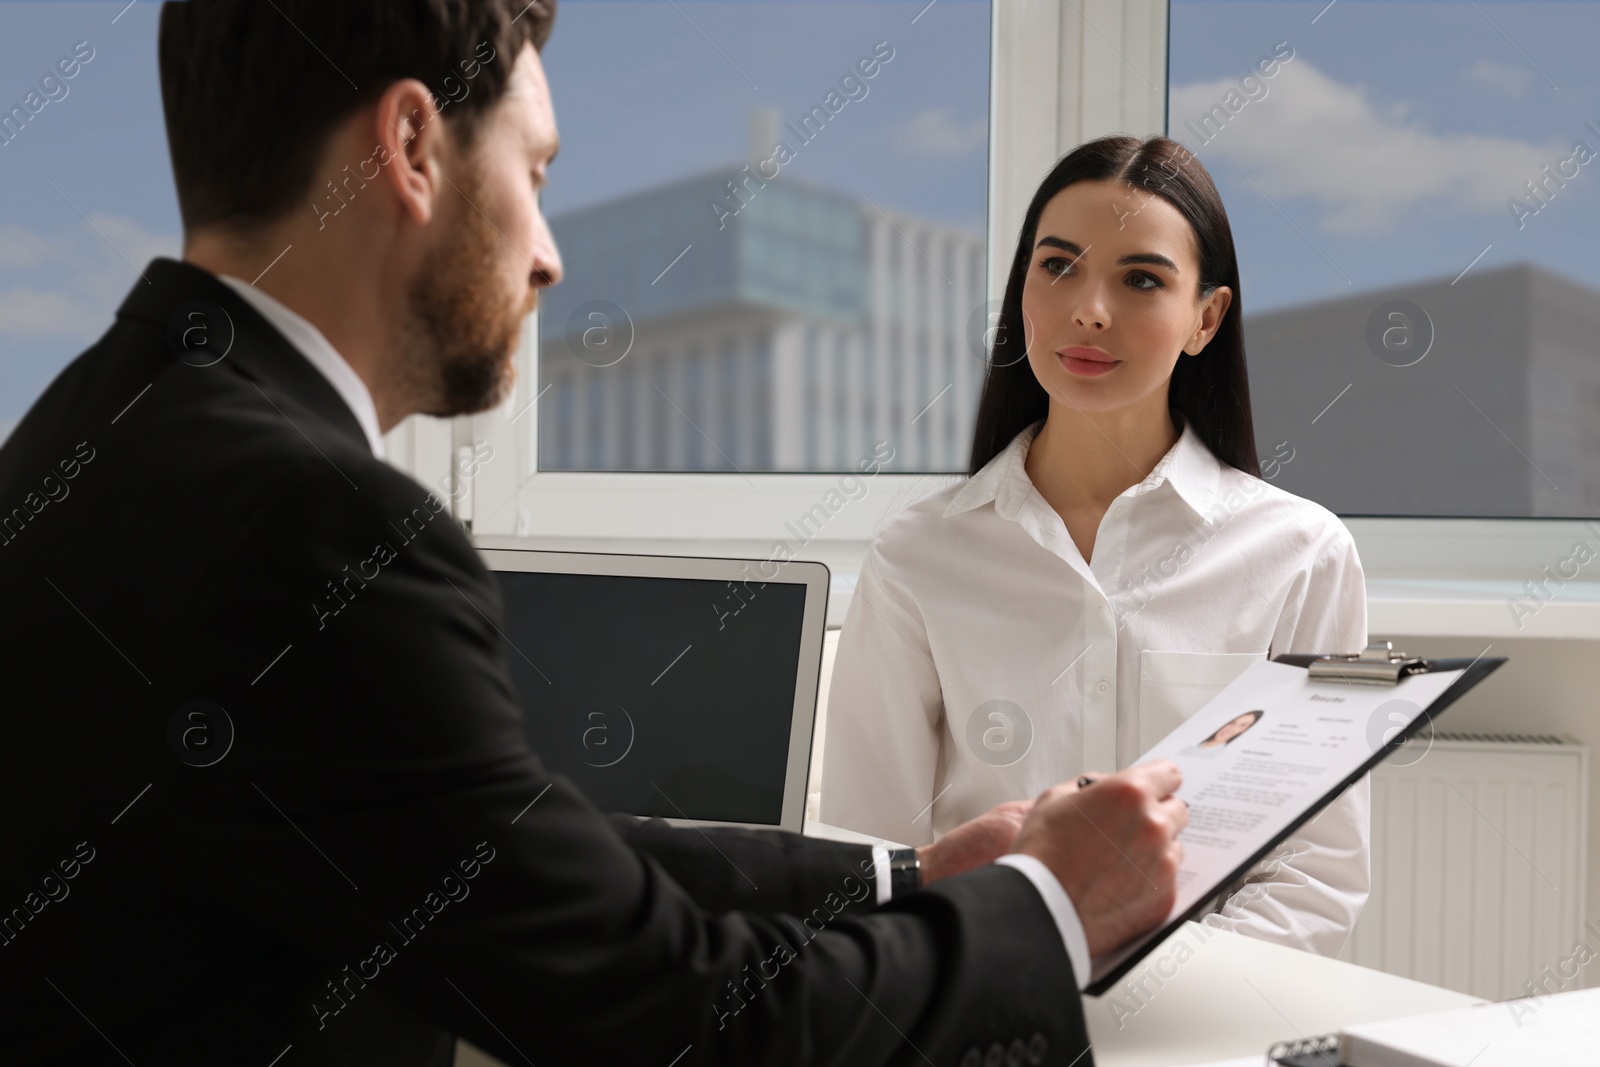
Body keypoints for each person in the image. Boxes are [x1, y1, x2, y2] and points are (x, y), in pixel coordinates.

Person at [0, 3, 1191, 1064]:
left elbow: (505, 857)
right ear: (411, 148)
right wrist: (1048, 904)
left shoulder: (86, 430)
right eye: (538, 172)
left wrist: (906, 876)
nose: (548, 257)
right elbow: (678, 1021)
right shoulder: (312, 528)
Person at [820, 134, 1370, 959]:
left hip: (1207, 1023)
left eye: (1141, 278)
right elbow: (871, 850)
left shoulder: (1302, 554)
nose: (1089, 309)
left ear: (1206, 318)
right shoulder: (918, 554)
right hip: (982, 1007)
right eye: (1058, 266)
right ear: (1021, 294)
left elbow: (1312, 876)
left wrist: (1164, 1004)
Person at [1179, 710, 1265, 757]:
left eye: (1242, 725)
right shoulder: (1190, 744)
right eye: (1233, 722)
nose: (1231, 728)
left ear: (1245, 731)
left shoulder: (1219, 754)